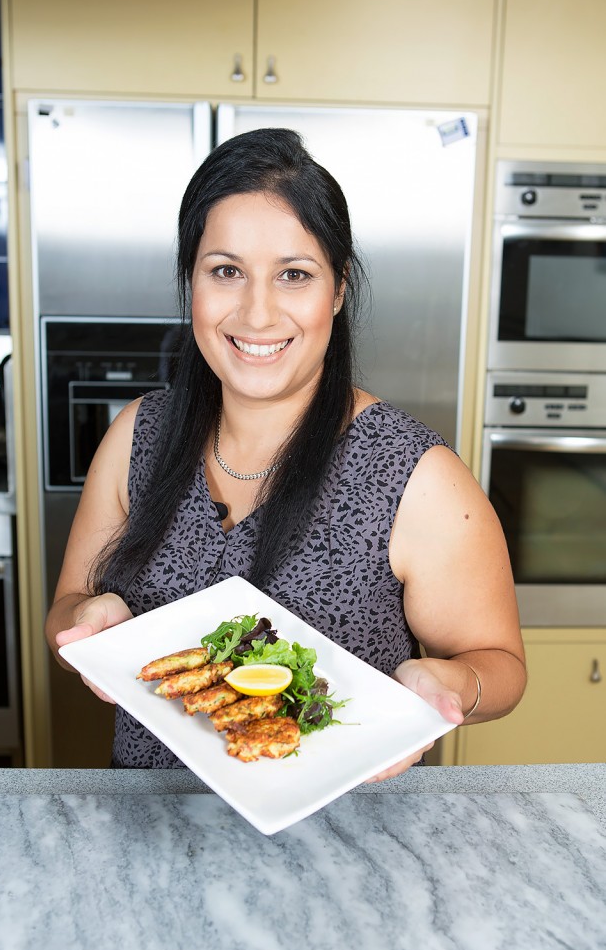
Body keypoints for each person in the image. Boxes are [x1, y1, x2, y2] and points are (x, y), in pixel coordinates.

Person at [46, 128, 526, 777]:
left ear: (338, 289)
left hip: (345, 849)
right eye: (226, 272)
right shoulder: (141, 435)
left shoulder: (416, 477)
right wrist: (88, 618)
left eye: (294, 275)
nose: (258, 313)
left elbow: (498, 663)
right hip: (152, 837)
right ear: (192, 282)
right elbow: (68, 606)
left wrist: (446, 687)